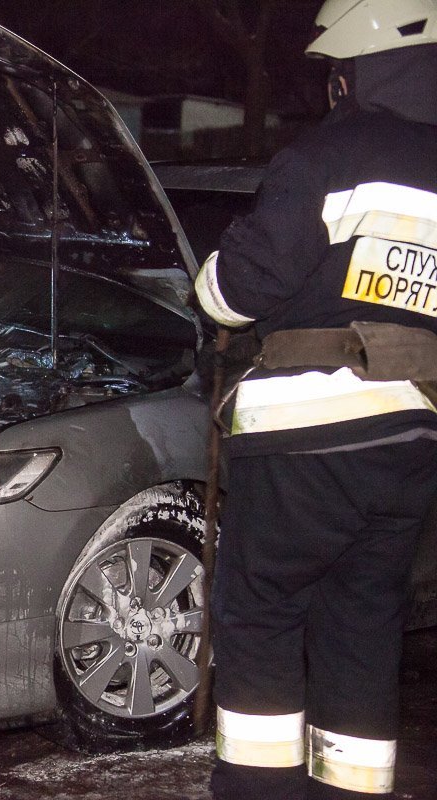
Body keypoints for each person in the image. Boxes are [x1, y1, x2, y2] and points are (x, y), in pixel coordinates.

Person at [195, 1, 437, 798]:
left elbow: (240, 291)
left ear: (355, 66)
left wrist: (215, 272)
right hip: (409, 448)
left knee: (261, 618)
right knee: (363, 633)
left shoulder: (329, 155)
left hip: (303, 441)